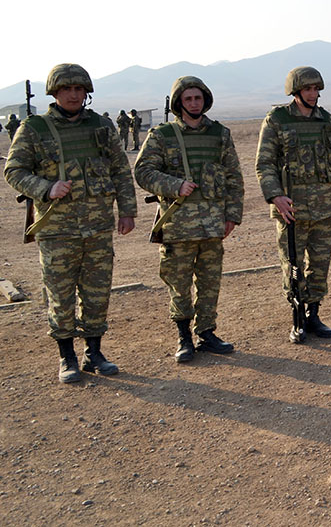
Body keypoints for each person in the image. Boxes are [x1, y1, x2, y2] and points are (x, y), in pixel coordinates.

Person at [4, 64, 137, 383]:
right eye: (67, 89)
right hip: (57, 230)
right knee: (60, 295)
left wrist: (127, 210)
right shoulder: (35, 128)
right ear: (54, 92)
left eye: (79, 90)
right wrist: (45, 188)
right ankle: (67, 357)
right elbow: (14, 170)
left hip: (98, 228)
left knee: (97, 292)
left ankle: (94, 352)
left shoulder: (102, 127)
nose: (74, 95)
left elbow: (120, 170)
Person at [135, 76, 244, 362]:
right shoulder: (162, 136)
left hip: (212, 224)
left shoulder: (220, 134)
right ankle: (184, 337)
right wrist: (174, 186)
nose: (194, 103)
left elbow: (233, 177)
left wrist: (231, 215)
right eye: (188, 99)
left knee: (210, 282)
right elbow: (143, 171)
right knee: (179, 283)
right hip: (178, 225)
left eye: (198, 98)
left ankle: (206, 333)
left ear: (204, 100)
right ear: (178, 103)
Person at [255, 66, 331, 342]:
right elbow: (264, 164)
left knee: (320, 264)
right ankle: (297, 317)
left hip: (323, 208)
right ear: (296, 90)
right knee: (294, 266)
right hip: (292, 210)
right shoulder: (277, 120)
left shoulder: (328, 121)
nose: (313, 94)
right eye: (308, 89)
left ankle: (314, 315)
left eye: (316, 89)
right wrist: (276, 196)